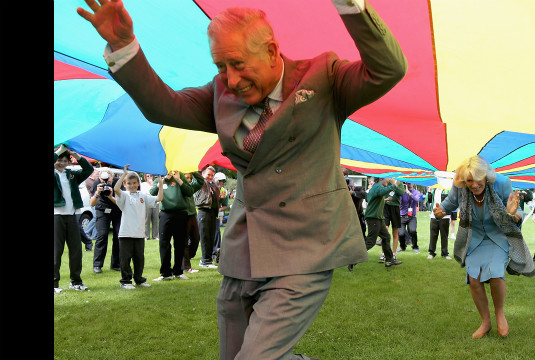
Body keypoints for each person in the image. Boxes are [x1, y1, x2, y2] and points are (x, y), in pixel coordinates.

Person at [78, 0, 406, 358]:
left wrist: (351, 5)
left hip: (305, 248)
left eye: (237, 64)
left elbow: (387, 70)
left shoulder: (323, 77)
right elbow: (164, 106)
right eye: (221, 66)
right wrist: (125, 47)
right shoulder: (221, 93)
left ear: (270, 51)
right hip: (246, 248)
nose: (230, 79)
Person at [433, 155, 534, 338]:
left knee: (495, 273)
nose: (473, 185)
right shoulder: (461, 184)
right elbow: (451, 203)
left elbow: (516, 210)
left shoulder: (502, 183)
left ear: (486, 176)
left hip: (497, 237)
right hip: (475, 238)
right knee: (474, 278)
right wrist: (441, 211)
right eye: (469, 181)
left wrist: (513, 213)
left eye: (477, 180)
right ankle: (485, 322)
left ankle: (500, 314)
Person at [113, 165, 164, 289]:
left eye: (134, 183)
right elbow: (116, 189)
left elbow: (159, 198)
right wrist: (124, 174)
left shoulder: (142, 196)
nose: (132, 185)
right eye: (129, 183)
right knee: (125, 259)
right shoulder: (124, 195)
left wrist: (161, 185)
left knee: (139, 258)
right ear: (125, 184)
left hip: (139, 233)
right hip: (126, 233)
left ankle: (139, 279)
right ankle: (125, 281)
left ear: (138, 184)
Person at [54, 144, 94, 293]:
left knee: (76, 250)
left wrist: (75, 155)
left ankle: (76, 282)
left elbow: (89, 169)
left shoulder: (71, 175)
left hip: (71, 216)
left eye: (65, 160)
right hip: (56, 216)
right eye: (59, 160)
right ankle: (54, 284)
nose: (62, 163)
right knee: (56, 251)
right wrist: (59, 151)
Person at [149, 170, 195, 281]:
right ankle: (166, 273)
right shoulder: (159, 178)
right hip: (165, 214)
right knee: (164, 243)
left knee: (179, 243)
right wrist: (163, 180)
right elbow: (152, 192)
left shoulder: (180, 176)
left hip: (181, 213)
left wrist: (179, 180)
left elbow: (189, 192)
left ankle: (178, 271)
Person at [364, 178, 403, 267]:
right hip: (374, 218)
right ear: (381, 178)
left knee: (386, 237)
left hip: (378, 218)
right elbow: (382, 192)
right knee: (371, 241)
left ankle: (389, 260)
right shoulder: (378, 186)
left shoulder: (375, 187)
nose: (388, 180)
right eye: (387, 178)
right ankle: (353, 259)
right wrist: (395, 185)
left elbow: (369, 198)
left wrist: (384, 200)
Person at [90, 169, 122, 273]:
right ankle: (97, 265)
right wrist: (97, 193)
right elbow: (92, 203)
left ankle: (116, 264)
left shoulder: (118, 182)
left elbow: (121, 202)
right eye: (102, 179)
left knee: (118, 236)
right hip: (102, 210)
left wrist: (110, 196)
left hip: (116, 210)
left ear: (112, 177)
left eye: (108, 179)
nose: (105, 181)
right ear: (99, 178)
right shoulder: (97, 183)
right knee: (102, 235)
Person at [195, 166, 221, 269]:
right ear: (203, 174)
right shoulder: (201, 182)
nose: (210, 177)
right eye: (208, 174)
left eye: (212, 175)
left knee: (211, 237)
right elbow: (196, 174)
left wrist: (221, 198)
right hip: (203, 211)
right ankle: (205, 261)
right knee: (205, 237)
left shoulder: (213, 184)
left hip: (212, 212)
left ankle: (208, 260)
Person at [183, 171, 204, 274]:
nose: (189, 180)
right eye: (187, 178)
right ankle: (186, 266)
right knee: (184, 242)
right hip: (183, 216)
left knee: (196, 239)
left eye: (190, 178)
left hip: (192, 215)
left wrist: (194, 171)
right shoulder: (179, 186)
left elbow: (201, 181)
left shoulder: (191, 187)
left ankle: (185, 258)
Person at [428, 186, 452, 260]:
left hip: (445, 216)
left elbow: (450, 202)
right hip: (433, 215)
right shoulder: (433, 190)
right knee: (433, 235)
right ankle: (431, 252)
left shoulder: (447, 189)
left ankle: (445, 253)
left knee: (444, 235)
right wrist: (429, 191)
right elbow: (429, 200)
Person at [398, 182, 421, 253]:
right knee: (401, 233)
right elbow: (399, 202)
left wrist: (409, 193)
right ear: (406, 184)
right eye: (408, 183)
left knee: (413, 231)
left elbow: (417, 200)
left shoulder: (416, 192)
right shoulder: (402, 192)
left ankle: (415, 247)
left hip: (412, 216)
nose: (410, 184)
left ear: (413, 183)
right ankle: (402, 246)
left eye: (411, 182)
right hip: (402, 215)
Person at [213, 172, 229, 257]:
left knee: (217, 234)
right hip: (203, 215)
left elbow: (225, 206)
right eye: (220, 181)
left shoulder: (224, 191)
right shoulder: (209, 187)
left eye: (223, 181)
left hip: (215, 216)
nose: (222, 183)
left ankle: (216, 253)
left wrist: (217, 209)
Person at [141, 174, 160, 240]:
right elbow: (144, 193)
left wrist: (153, 185)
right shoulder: (143, 184)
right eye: (147, 176)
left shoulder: (155, 184)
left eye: (151, 176)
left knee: (155, 220)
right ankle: (146, 236)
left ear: (153, 176)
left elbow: (157, 193)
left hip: (155, 202)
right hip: (147, 203)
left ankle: (155, 236)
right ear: (145, 177)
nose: (149, 177)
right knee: (147, 220)